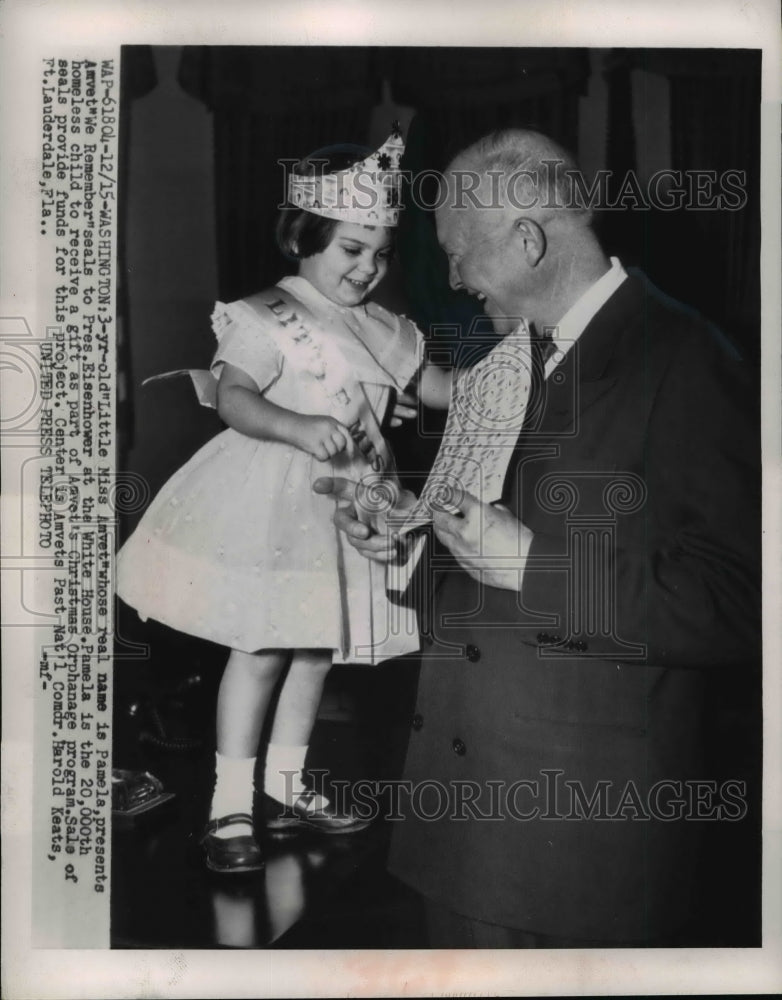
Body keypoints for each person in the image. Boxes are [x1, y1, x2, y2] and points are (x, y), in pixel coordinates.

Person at [315, 128, 761, 946]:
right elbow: (479, 549)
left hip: (579, 857)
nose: (450, 278)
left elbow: (741, 605)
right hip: (458, 829)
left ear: (527, 241)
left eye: (458, 254)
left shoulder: (691, 357)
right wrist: (404, 531)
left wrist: (533, 567)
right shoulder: (500, 362)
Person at [116, 128, 452, 874]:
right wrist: (298, 424)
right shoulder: (264, 315)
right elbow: (234, 399)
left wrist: (502, 386)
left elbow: (430, 388)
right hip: (272, 501)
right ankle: (229, 802)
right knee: (261, 648)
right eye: (351, 250)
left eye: (381, 252)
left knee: (314, 651)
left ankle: (287, 781)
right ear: (305, 235)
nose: (369, 268)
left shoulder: (381, 326)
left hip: (347, 510)